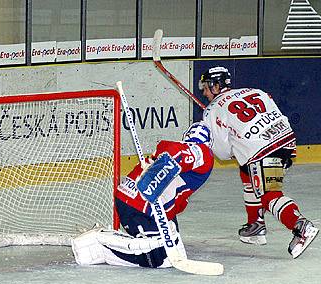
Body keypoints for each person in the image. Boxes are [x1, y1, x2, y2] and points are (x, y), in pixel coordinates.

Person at [199, 66, 319, 258]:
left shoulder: (212, 110)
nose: (204, 92)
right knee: (247, 172)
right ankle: (255, 226)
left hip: (262, 151)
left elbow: (221, 152)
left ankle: (300, 226)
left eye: (205, 87)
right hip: (285, 142)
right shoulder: (255, 91)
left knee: (268, 195)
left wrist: (232, 144)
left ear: (215, 86)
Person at [71, 123, 214, 268]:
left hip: (130, 200)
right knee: (159, 260)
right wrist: (155, 178)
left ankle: (133, 240)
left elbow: (176, 199)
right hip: (139, 206)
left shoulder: (182, 155)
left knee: (172, 246)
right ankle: (102, 244)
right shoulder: (204, 153)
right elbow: (177, 153)